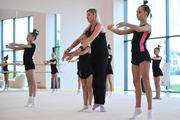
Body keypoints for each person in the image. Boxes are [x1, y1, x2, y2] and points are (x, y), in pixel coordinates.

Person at [107, 0, 154, 119]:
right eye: (136, 12)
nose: (137, 14)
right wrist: (111, 29)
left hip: (143, 55)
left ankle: (150, 111)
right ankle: (137, 108)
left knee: (146, 82)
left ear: (146, 14)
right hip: (135, 56)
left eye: (139, 12)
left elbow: (140, 30)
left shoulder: (147, 26)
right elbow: (120, 32)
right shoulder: (136, 27)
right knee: (135, 82)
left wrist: (126, 23)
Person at [62, 8, 108, 112]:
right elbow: (79, 39)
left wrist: (79, 49)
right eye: (86, 15)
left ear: (94, 15)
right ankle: (96, 102)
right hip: (93, 56)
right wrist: (69, 49)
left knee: (100, 79)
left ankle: (102, 103)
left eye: (89, 15)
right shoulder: (88, 28)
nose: (87, 17)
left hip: (102, 56)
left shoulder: (99, 26)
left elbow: (91, 38)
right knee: (94, 80)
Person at [6, 29, 39, 108]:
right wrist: (9, 47)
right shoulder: (26, 46)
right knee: (29, 82)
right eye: (26, 36)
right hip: (26, 65)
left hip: (31, 65)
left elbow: (23, 45)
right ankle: (29, 99)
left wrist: (15, 43)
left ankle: (34, 99)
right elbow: (17, 48)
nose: (27, 38)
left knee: (33, 82)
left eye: (28, 36)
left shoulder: (32, 45)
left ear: (33, 38)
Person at [65, 34, 93, 112]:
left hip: (89, 70)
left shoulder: (88, 48)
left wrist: (72, 55)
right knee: (84, 87)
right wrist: (66, 54)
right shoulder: (79, 50)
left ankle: (90, 105)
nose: (81, 41)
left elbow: (82, 53)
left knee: (89, 87)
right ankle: (85, 105)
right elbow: (74, 53)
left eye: (83, 39)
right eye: (80, 39)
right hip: (81, 69)